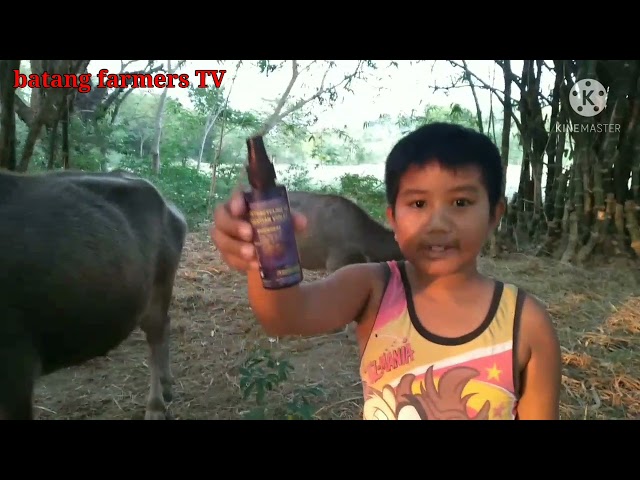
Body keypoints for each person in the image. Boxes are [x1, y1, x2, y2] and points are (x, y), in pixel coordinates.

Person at [211, 122, 562, 420]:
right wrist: (260, 250)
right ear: (392, 218)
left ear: (495, 216)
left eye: (461, 202)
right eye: (418, 203)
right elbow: (283, 317)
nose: (437, 223)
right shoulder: (373, 288)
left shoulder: (526, 323)